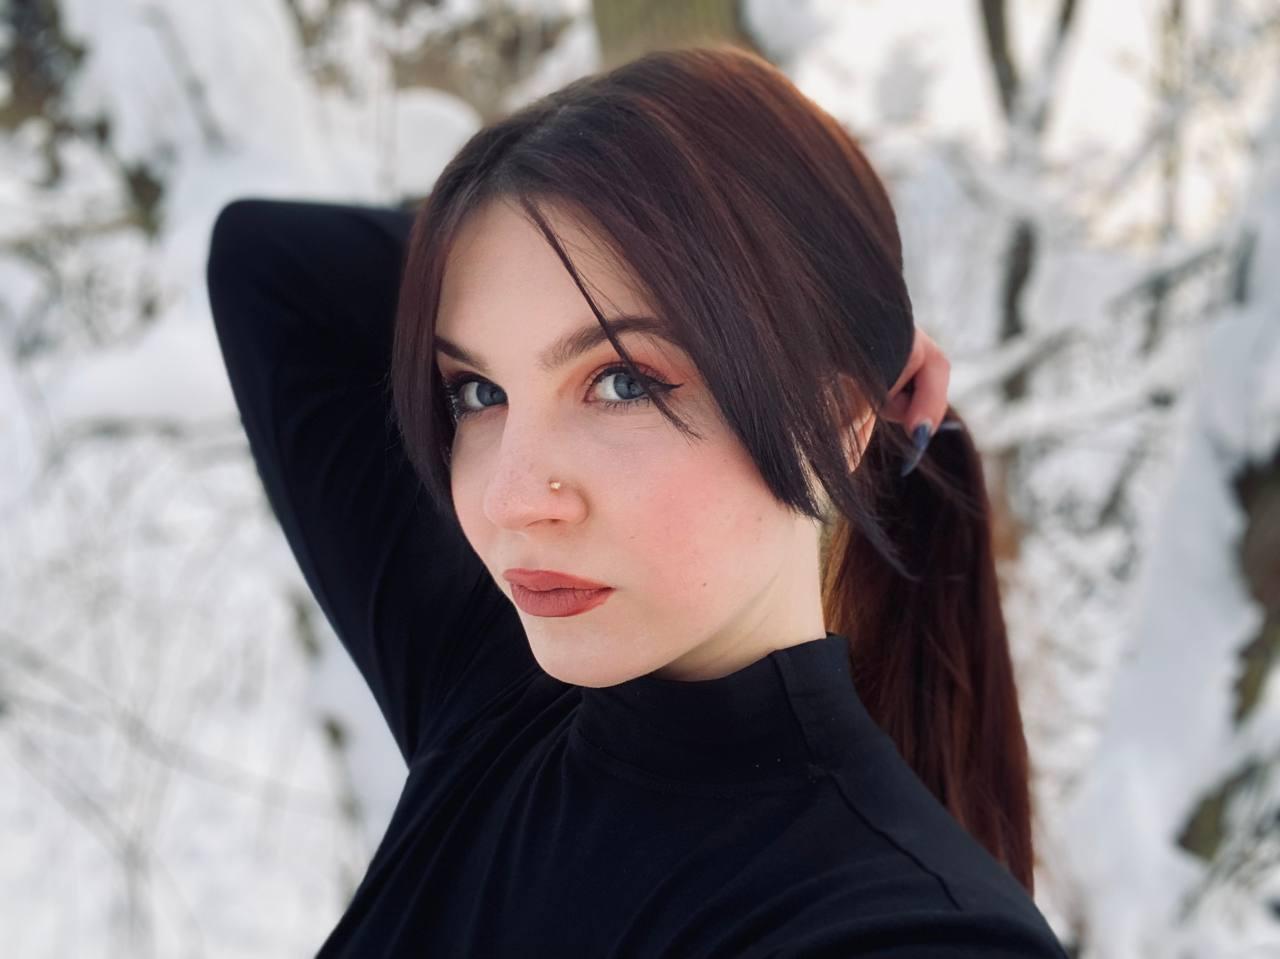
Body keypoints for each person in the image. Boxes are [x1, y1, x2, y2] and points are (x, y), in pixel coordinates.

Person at [206, 44, 1067, 959]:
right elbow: (269, 263)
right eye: (479, 391)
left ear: (839, 416)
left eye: (621, 382)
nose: (510, 500)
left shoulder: (905, 931)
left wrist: (832, 315)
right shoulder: (499, 697)